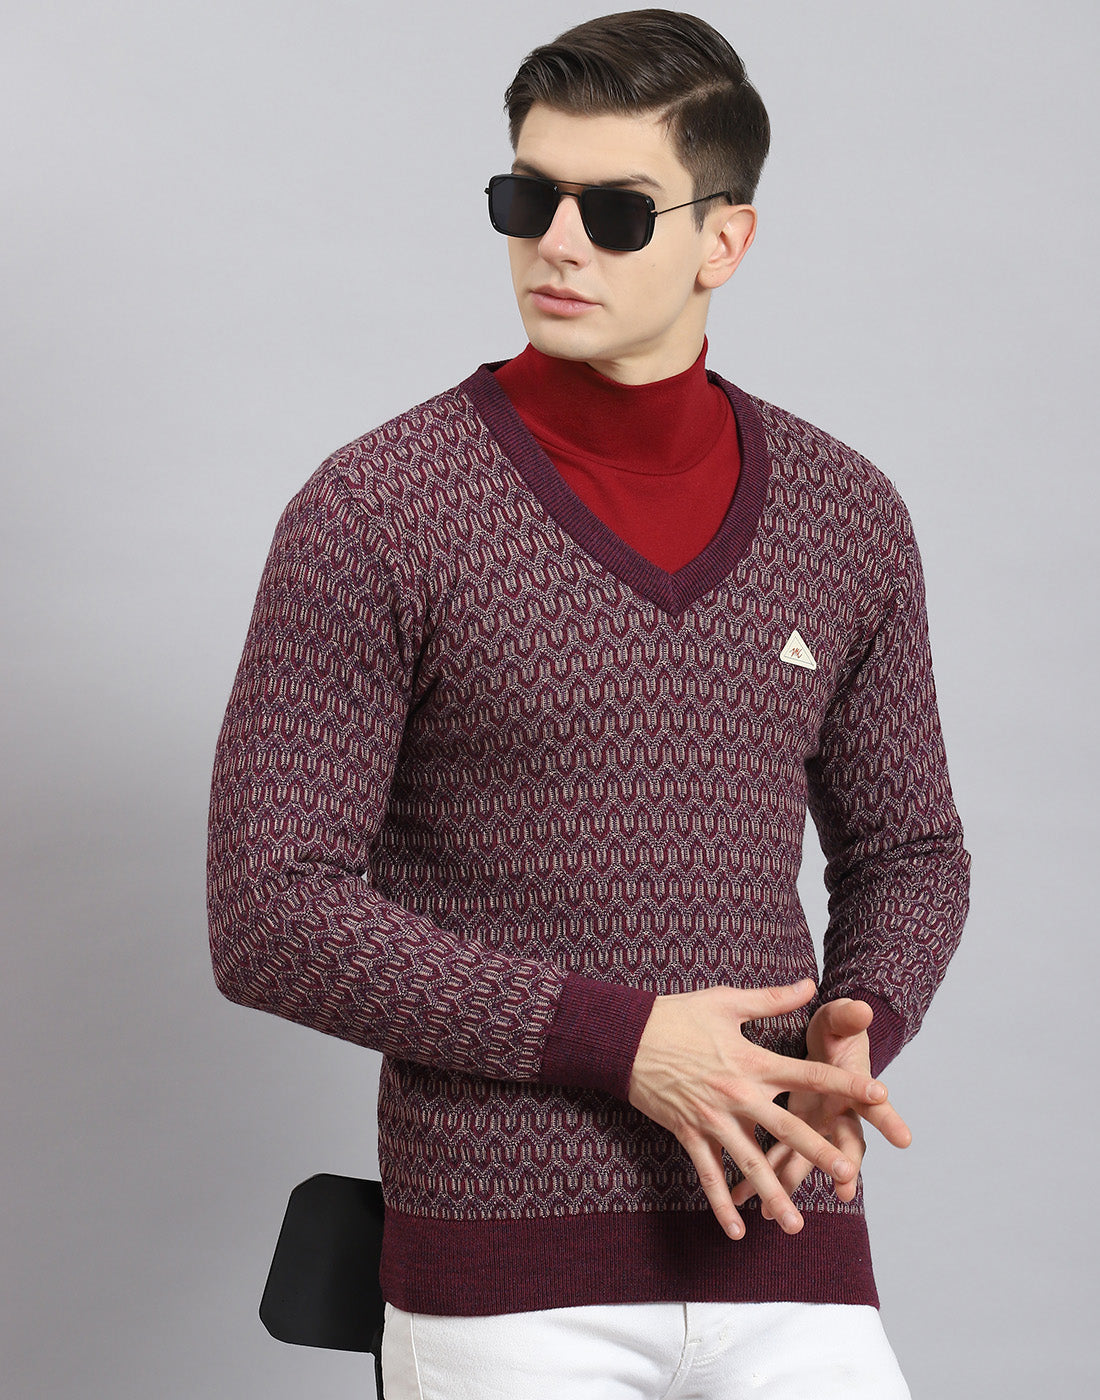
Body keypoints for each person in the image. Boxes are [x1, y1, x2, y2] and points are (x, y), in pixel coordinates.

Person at [208, 10, 969, 1397]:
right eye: (528, 199)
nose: (557, 243)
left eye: (615, 213)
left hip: (783, 1241)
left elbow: (910, 848)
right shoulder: (378, 510)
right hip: (506, 1282)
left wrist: (863, 1014)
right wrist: (626, 1045)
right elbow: (270, 911)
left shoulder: (846, 512)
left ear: (724, 241)